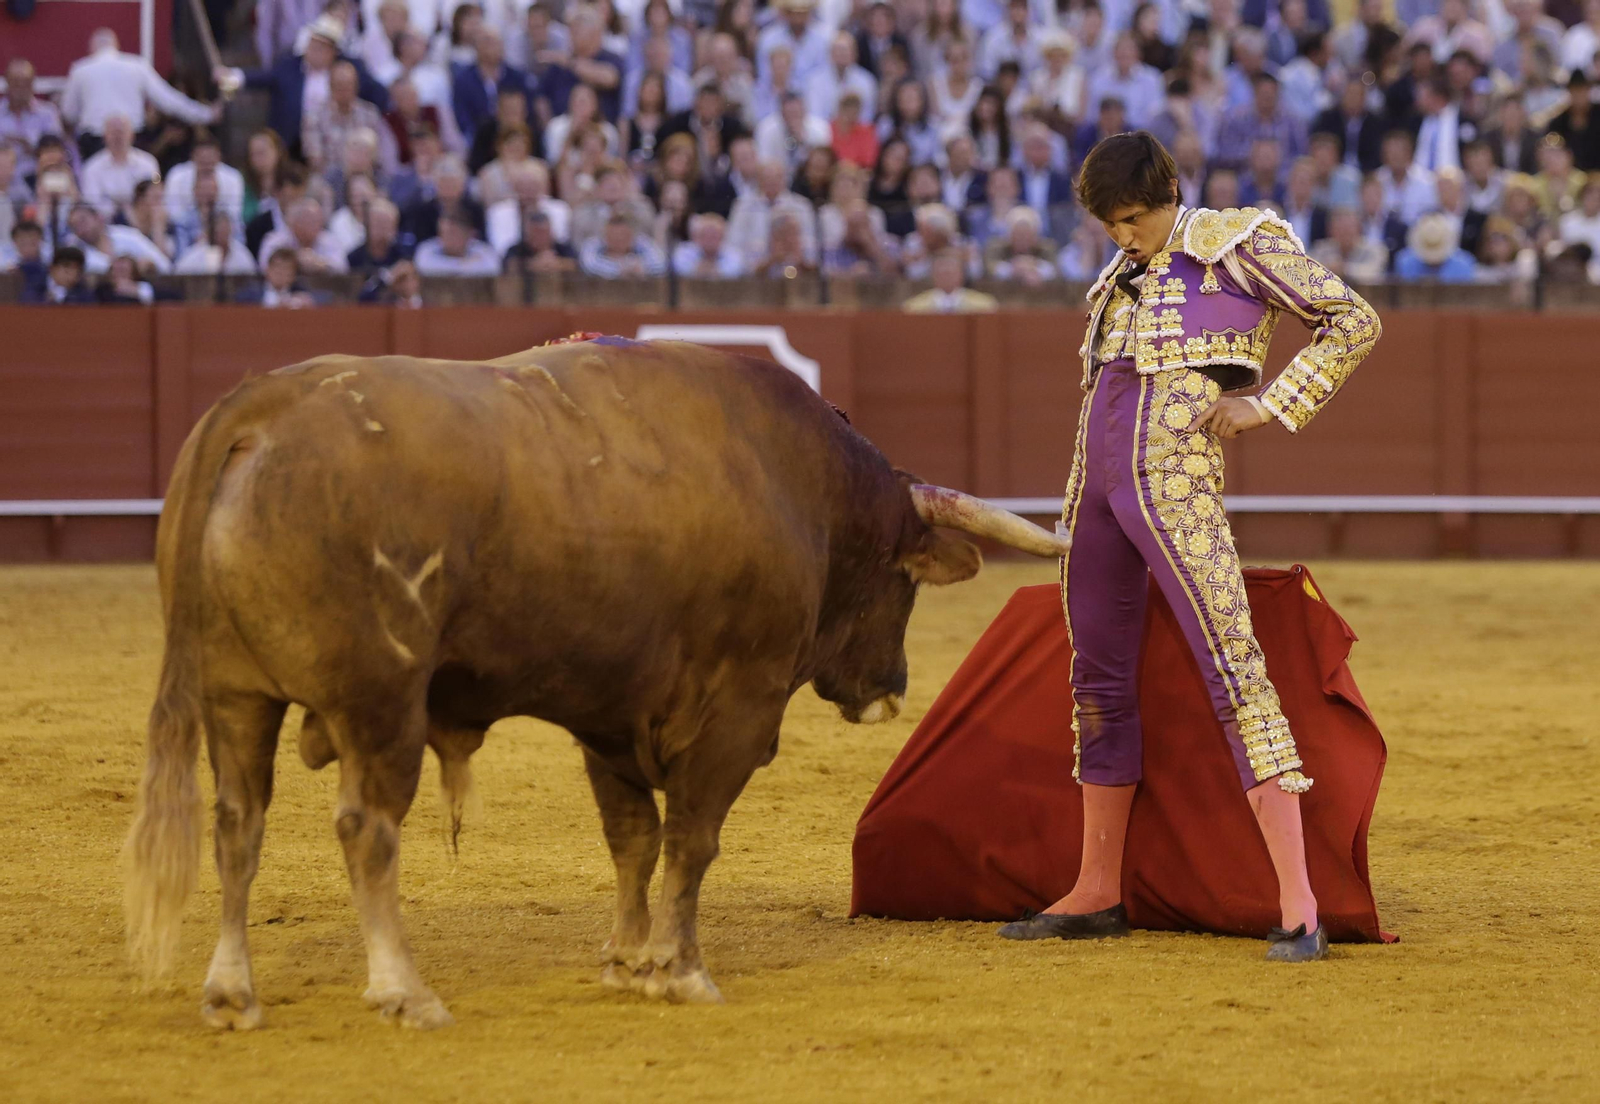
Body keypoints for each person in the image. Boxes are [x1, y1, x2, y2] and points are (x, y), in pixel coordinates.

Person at [995, 131, 1381, 963]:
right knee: (1096, 680)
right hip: (1095, 491)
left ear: (1171, 190)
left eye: (1134, 218)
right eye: (1111, 226)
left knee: (1233, 668)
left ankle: (1299, 901)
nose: (1124, 236)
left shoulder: (1240, 244)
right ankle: (1098, 888)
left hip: (1175, 483)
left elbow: (1353, 319)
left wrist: (1267, 404)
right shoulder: (1116, 274)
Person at [60, 29, 218, 157]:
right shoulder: (137, 66)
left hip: (95, 141)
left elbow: (68, 113)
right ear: (116, 45)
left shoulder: (80, 69)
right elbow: (168, 100)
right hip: (133, 139)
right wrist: (207, 114)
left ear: (92, 49)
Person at [79, 114, 159, 219]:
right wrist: (119, 208)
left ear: (132, 135)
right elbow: (92, 203)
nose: (118, 137)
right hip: (105, 225)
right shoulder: (92, 167)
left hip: (142, 221)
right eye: (113, 133)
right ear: (104, 136)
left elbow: (153, 195)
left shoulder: (148, 162)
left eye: (122, 132)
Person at [902, 247, 997, 312]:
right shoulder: (914, 308)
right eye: (941, 272)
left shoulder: (984, 306)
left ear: (961, 274)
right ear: (933, 275)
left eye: (950, 271)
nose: (946, 276)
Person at [412, 209, 501, 274]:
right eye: (442, 233)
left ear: (469, 235)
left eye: (452, 233)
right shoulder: (426, 251)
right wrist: (465, 264)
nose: (446, 239)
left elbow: (492, 270)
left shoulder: (486, 253)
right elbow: (424, 269)